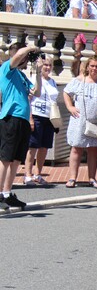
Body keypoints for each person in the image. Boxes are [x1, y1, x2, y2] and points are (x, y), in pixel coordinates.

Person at [0, 43, 42, 210]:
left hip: (23, 120)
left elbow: (36, 92)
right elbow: (16, 57)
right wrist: (32, 48)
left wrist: (38, 72)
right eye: (25, 56)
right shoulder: (7, 68)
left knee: (17, 159)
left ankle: (7, 194)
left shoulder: (21, 75)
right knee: (5, 159)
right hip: (11, 118)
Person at [62, 55, 97, 189]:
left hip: (95, 121)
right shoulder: (79, 80)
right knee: (76, 148)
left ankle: (92, 178)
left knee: (93, 149)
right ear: (87, 66)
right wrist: (69, 106)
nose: (94, 69)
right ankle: (72, 178)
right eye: (92, 66)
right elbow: (66, 92)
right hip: (79, 119)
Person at [24, 55, 58, 186]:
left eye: (50, 65)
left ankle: (38, 174)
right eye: (45, 65)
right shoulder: (34, 79)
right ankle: (27, 174)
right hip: (37, 114)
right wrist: (30, 118)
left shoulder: (53, 82)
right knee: (32, 146)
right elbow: (29, 99)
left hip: (49, 117)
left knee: (44, 147)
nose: (48, 68)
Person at [65, 0, 91, 77]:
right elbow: (75, 15)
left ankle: (74, 74)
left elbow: (81, 16)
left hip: (76, 29)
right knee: (75, 52)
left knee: (77, 53)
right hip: (73, 29)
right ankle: (71, 73)